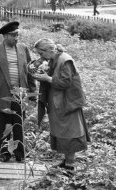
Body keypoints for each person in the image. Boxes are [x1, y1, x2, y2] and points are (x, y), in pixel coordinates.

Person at [32, 38, 91, 170]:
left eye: (41, 54)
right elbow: (54, 74)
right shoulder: (54, 59)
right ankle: (66, 160)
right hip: (59, 100)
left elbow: (66, 82)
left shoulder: (65, 60)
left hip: (69, 102)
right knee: (62, 131)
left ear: (49, 50)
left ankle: (70, 165)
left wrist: (47, 78)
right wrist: (42, 70)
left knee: (71, 132)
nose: (41, 57)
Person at [0, 21, 36, 162]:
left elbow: (29, 72)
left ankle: (20, 155)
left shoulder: (23, 49)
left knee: (19, 126)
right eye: (13, 35)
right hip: (2, 95)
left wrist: (32, 94)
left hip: (20, 95)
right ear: (5, 36)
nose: (16, 38)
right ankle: (3, 154)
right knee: (4, 126)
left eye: (17, 35)